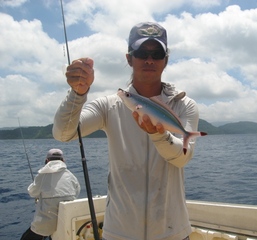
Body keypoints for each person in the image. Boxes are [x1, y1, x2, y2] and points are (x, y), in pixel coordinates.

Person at [53, 22, 201, 240]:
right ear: (129, 58)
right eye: (142, 52)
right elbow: (63, 133)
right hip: (119, 233)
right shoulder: (109, 106)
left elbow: (182, 158)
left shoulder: (183, 105)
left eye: (157, 53)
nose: (149, 59)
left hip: (172, 233)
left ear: (166, 60)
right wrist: (77, 94)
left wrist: (158, 135)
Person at [20, 148, 81, 240]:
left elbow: (32, 192)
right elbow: (76, 192)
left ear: (47, 160)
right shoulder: (71, 176)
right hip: (67, 223)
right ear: (63, 160)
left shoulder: (42, 175)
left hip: (45, 225)